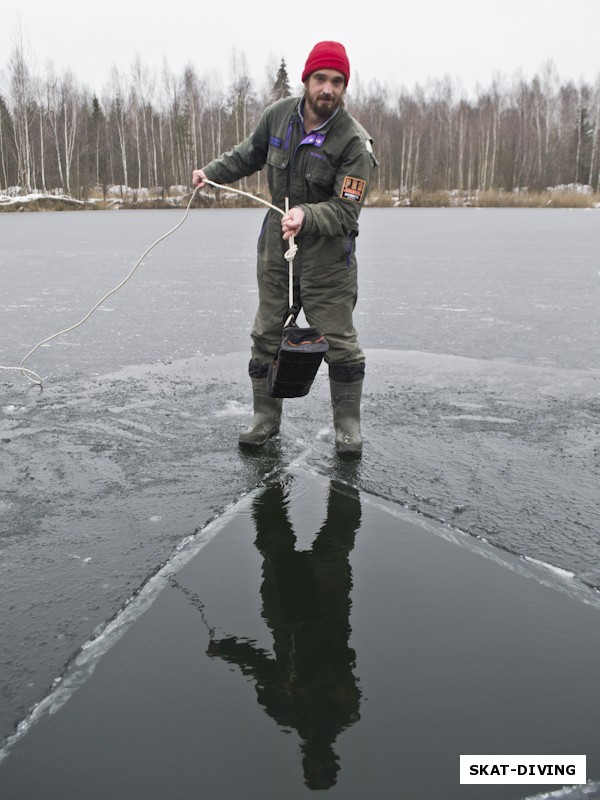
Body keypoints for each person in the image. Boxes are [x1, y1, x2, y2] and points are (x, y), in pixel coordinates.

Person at [192, 41, 377, 455]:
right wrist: (211, 172)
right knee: (266, 335)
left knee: (341, 344)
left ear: (344, 87)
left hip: (329, 261)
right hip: (278, 251)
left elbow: (347, 212)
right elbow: (248, 155)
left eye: (337, 81)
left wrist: (307, 216)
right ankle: (264, 420)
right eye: (321, 79)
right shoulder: (278, 117)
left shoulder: (354, 142)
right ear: (307, 80)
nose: (328, 89)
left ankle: (348, 427)